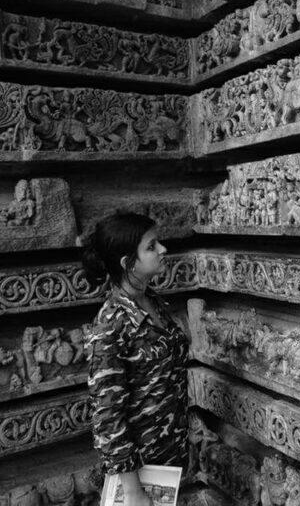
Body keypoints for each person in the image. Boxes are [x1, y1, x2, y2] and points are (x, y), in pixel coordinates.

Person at [82, 213, 188, 506]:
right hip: (140, 471)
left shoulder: (153, 301)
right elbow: (107, 415)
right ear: (128, 263)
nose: (163, 249)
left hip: (170, 456)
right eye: (151, 246)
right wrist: (132, 492)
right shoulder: (111, 323)